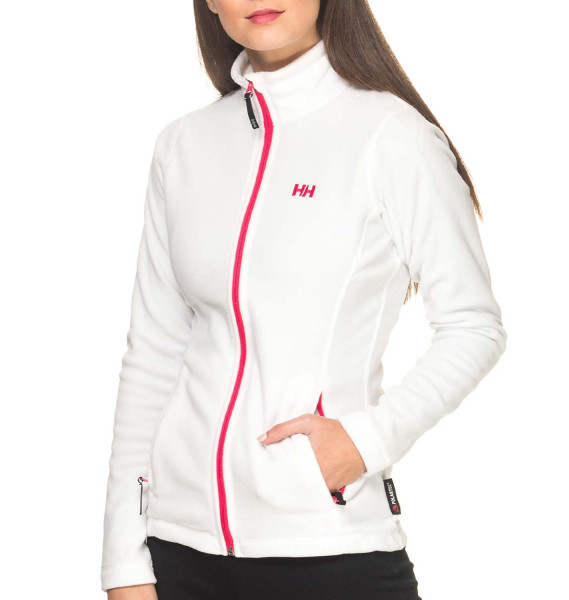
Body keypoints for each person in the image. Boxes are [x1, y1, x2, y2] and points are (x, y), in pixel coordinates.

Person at [100, 1, 508, 598]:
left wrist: (364, 442)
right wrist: (124, 560)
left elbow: (473, 326)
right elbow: (154, 352)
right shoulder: (183, 145)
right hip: (178, 549)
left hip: (327, 546)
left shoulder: (391, 136)